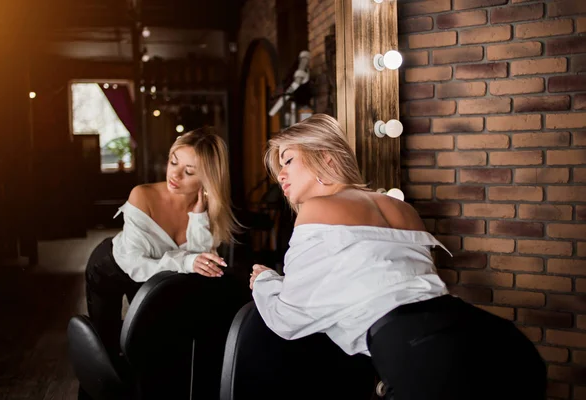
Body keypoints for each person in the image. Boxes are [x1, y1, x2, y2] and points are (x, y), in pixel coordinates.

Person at [249, 114, 546, 400]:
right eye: (278, 170)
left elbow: (287, 317)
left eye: (288, 160)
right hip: (493, 338)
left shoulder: (316, 209)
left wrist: (264, 280)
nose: (281, 175)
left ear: (326, 157)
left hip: (421, 349)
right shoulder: (400, 207)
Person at [85, 126, 238, 358]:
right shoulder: (142, 196)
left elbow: (199, 266)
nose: (174, 175)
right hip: (111, 269)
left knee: (150, 342)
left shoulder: (210, 210)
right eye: (174, 162)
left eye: (189, 171)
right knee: (103, 349)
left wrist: (198, 218)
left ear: (208, 180)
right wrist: (186, 262)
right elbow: (137, 265)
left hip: (155, 274)